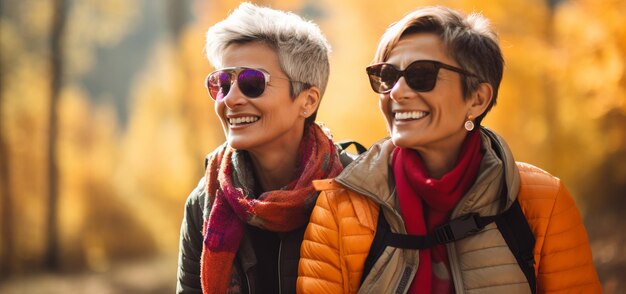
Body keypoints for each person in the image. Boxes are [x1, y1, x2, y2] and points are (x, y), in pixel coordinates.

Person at [297, 6, 601, 294]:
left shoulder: (542, 202)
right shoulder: (341, 207)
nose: (397, 92)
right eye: (387, 76)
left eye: (422, 75)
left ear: (477, 99)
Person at [176, 3, 347, 293]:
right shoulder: (203, 204)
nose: (230, 99)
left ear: (308, 101)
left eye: (251, 82)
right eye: (222, 83)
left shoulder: (356, 193)